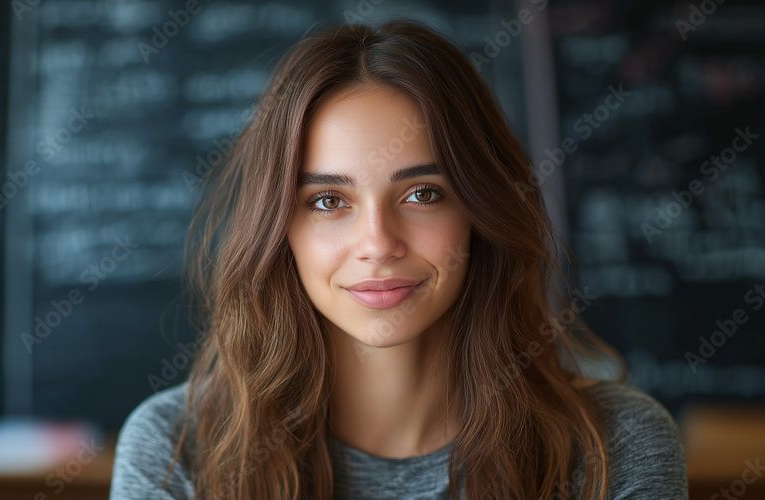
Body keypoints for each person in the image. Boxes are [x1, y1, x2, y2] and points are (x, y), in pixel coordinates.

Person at [110, 18, 687, 500]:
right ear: (278, 226)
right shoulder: (175, 449)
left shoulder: (614, 446)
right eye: (328, 201)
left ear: (480, 210)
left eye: (423, 194)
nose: (378, 242)